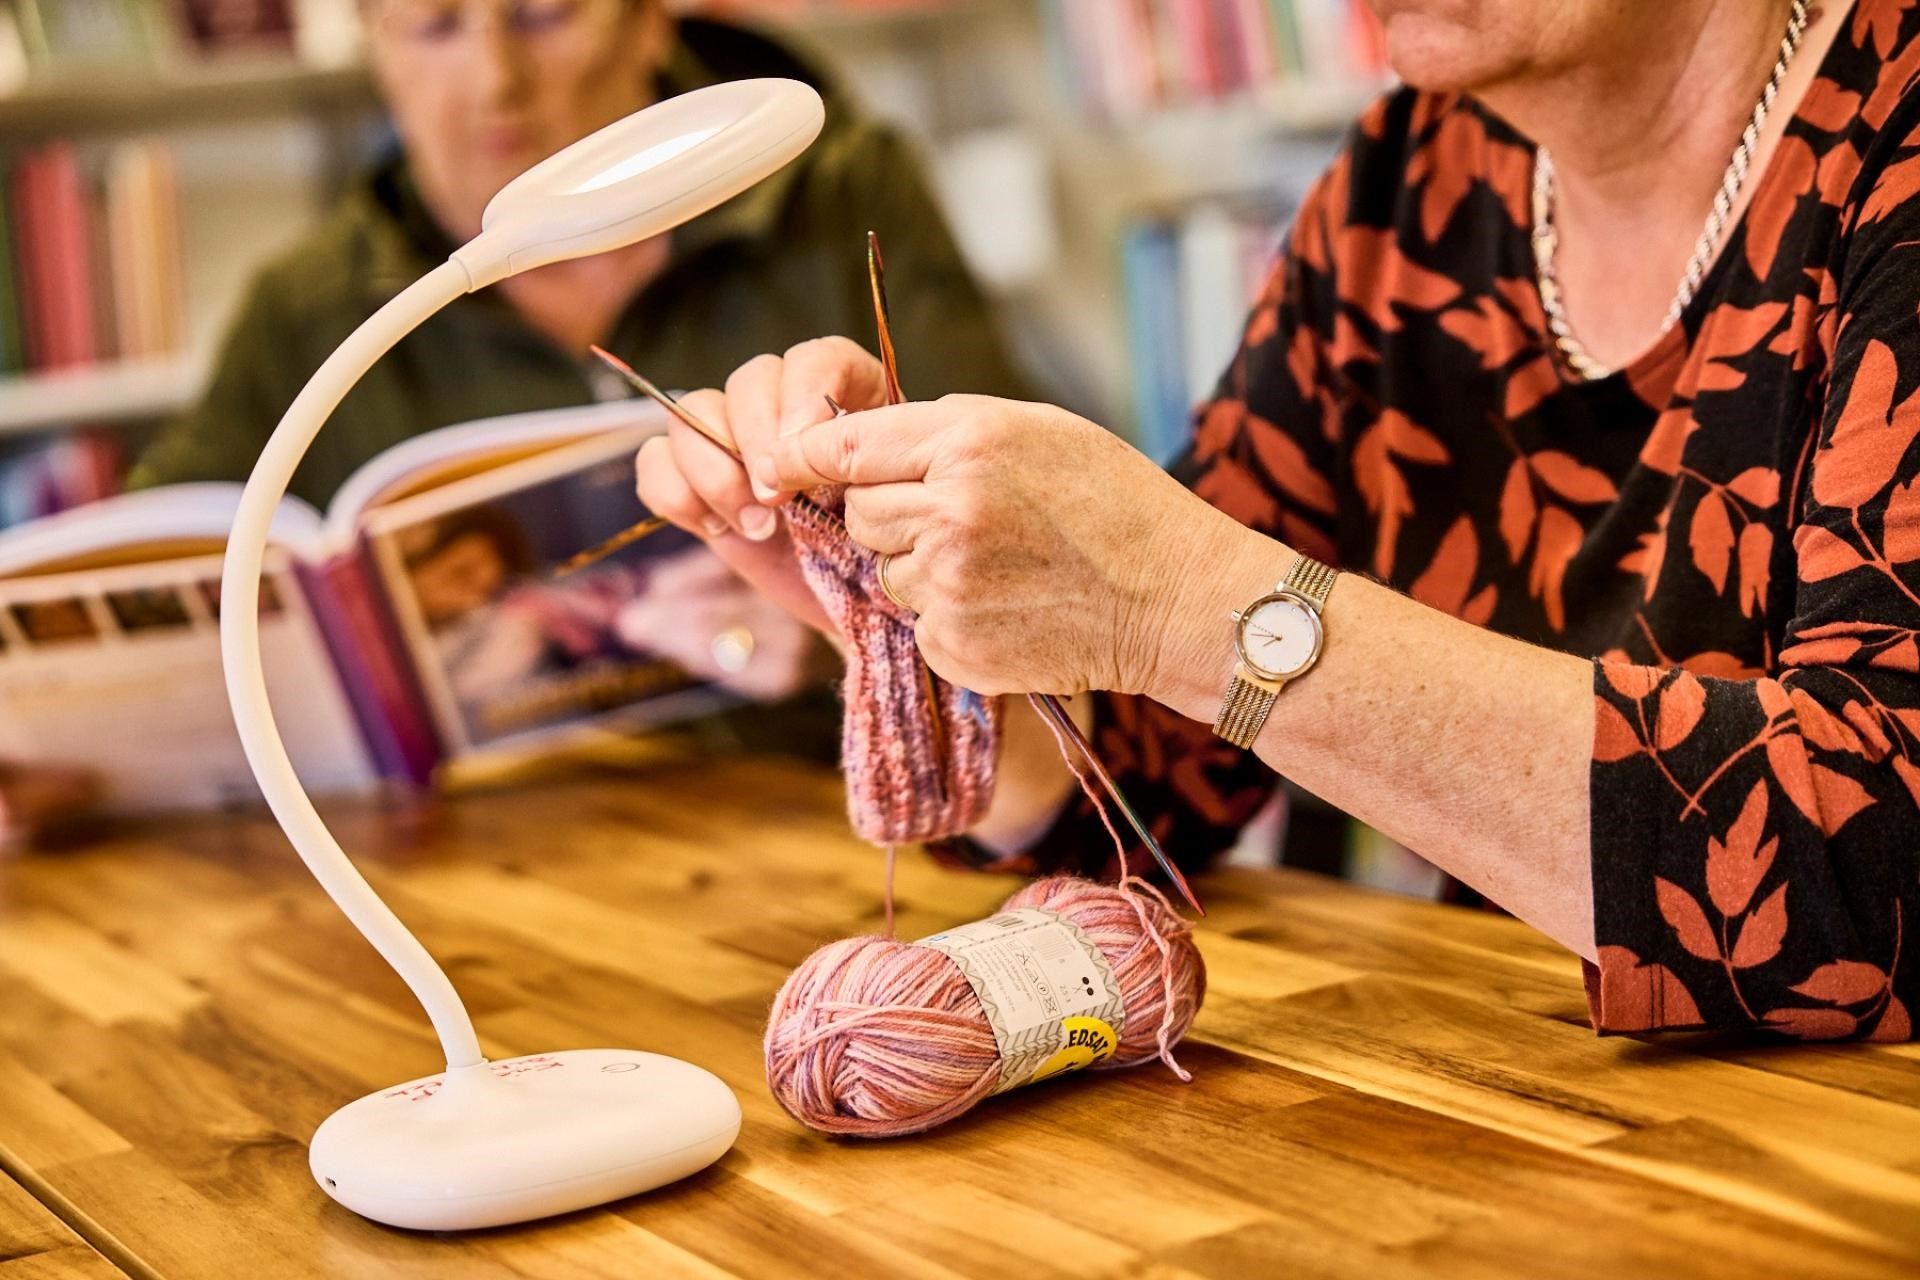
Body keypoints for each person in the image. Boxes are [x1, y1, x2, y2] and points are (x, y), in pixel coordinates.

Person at [636, 0, 1920, 1041]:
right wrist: (898, 594)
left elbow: (1882, 868)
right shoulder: (1406, 188)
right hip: (1510, 1117)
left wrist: (1181, 597)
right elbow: (1135, 805)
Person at [0, 0, 1027, 844]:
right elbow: (143, 559)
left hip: (844, 815)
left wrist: (832, 613)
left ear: (647, 23)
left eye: (544, 15)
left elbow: (1014, 518)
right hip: (493, 851)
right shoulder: (311, 304)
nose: (496, 79)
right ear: (376, 49)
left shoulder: (837, 190)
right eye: (435, 26)